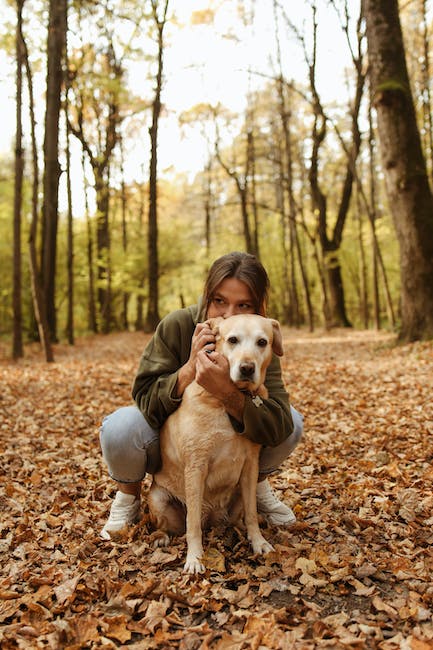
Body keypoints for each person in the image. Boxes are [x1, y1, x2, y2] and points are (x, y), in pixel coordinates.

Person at [100, 251, 304, 540]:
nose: (229, 315)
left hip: (229, 449)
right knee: (120, 427)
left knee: (292, 423)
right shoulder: (177, 325)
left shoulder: (257, 340)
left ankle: (254, 486)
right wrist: (188, 370)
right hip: (171, 444)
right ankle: (128, 499)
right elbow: (144, 396)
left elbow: (279, 423)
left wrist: (229, 394)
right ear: (207, 295)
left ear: (257, 307)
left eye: (243, 304)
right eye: (219, 301)